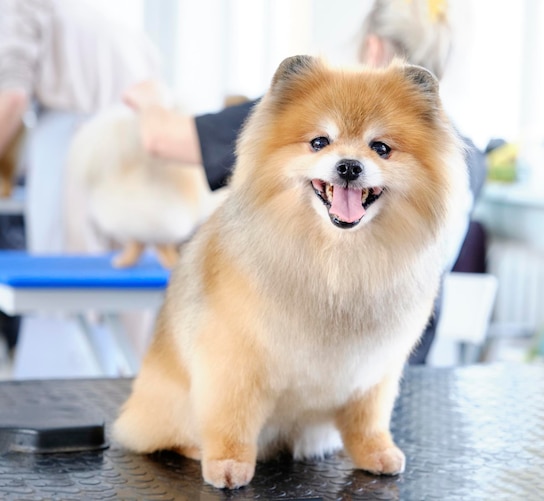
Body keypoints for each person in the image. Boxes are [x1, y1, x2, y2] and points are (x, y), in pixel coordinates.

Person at [123, 0, 486, 364]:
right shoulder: (462, 154)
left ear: (373, 47)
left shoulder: (303, 104)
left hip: (303, 363)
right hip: (410, 362)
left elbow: (162, 138)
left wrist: (151, 99)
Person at [0, 0, 162, 253]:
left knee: (64, 271)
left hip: (71, 145)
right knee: (128, 270)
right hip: (135, 147)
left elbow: (12, 99)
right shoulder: (112, 15)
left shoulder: (23, 5)